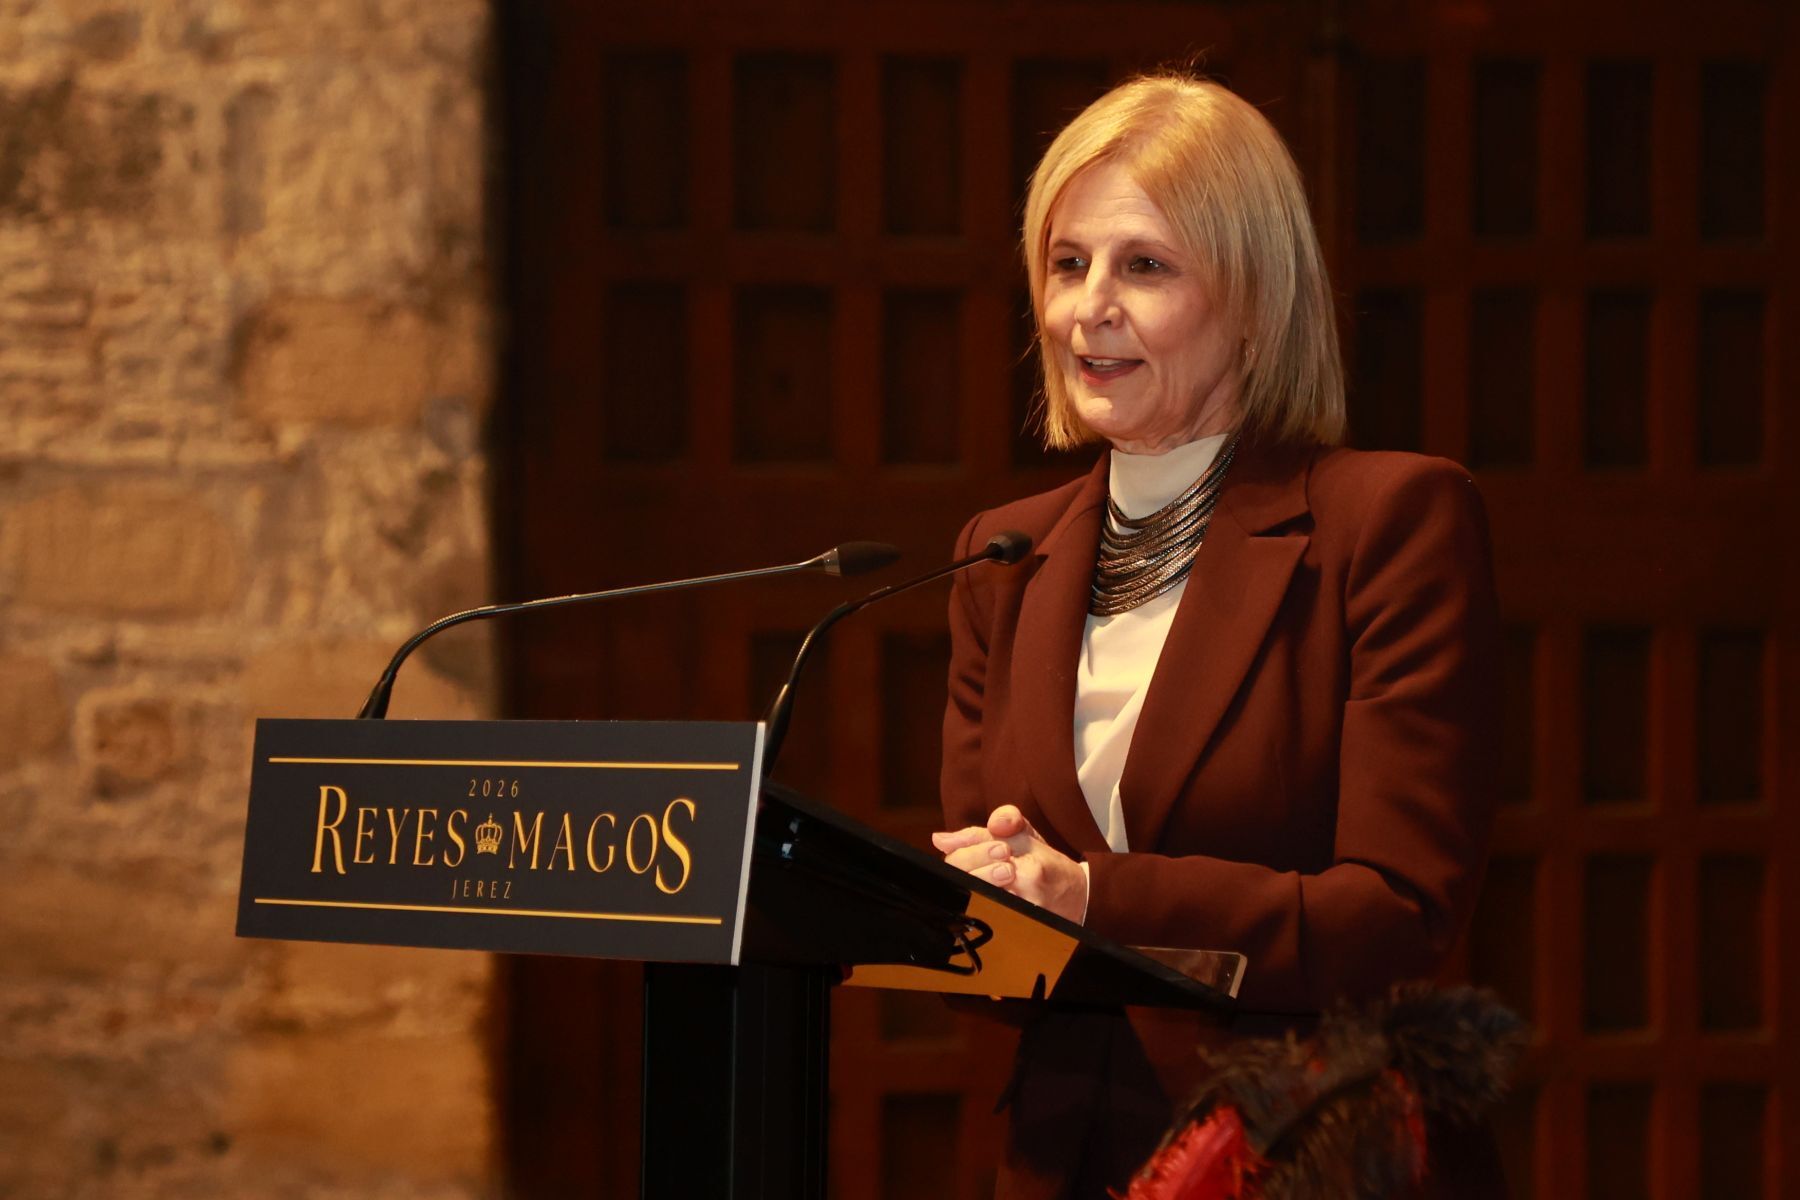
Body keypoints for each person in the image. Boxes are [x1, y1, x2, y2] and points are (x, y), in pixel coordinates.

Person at [930, 74, 1503, 1198]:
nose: (1089, 307)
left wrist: (1097, 900)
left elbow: (1398, 909)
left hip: (1298, 1154)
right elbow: (987, 923)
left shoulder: (1387, 523)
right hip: (1063, 1159)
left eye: (1144, 265)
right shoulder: (1003, 554)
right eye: (1067, 262)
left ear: (1252, 299)